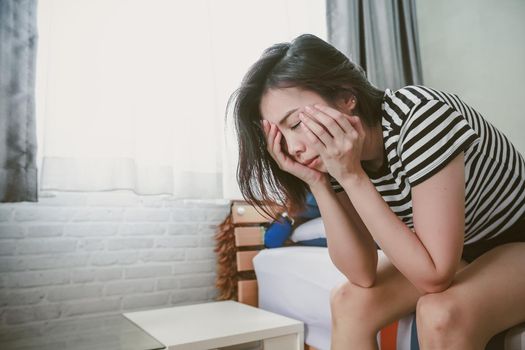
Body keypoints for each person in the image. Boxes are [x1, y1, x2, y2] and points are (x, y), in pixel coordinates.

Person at [227, 33, 525, 349]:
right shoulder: (340, 156)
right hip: (459, 249)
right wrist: (319, 183)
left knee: (441, 313)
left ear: (345, 96)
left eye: (296, 124)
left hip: (514, 240)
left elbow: (435, 275)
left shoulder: (422, 118)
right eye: (280, 135)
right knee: (347, 301)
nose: (294, 147)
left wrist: (353, 178)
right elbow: (362, 273)